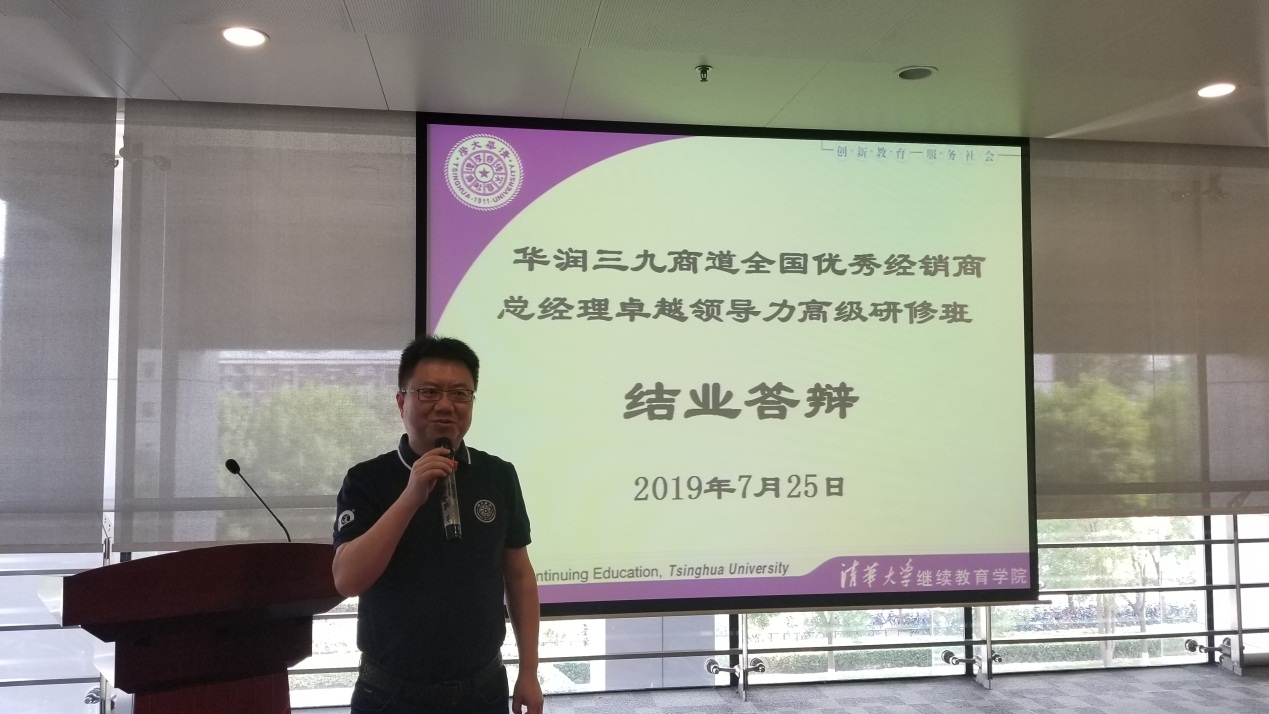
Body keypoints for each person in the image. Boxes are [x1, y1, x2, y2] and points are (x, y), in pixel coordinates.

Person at [332, 335, 543, 714]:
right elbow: (347, 580)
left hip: (482, 690)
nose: (446, 405)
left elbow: (519, 575)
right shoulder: (366, 479)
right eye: (429, 392)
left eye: (460, 394)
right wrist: (411, 495)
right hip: (390, 694)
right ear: (402, 402)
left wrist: (529, 671)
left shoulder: (498, 475)